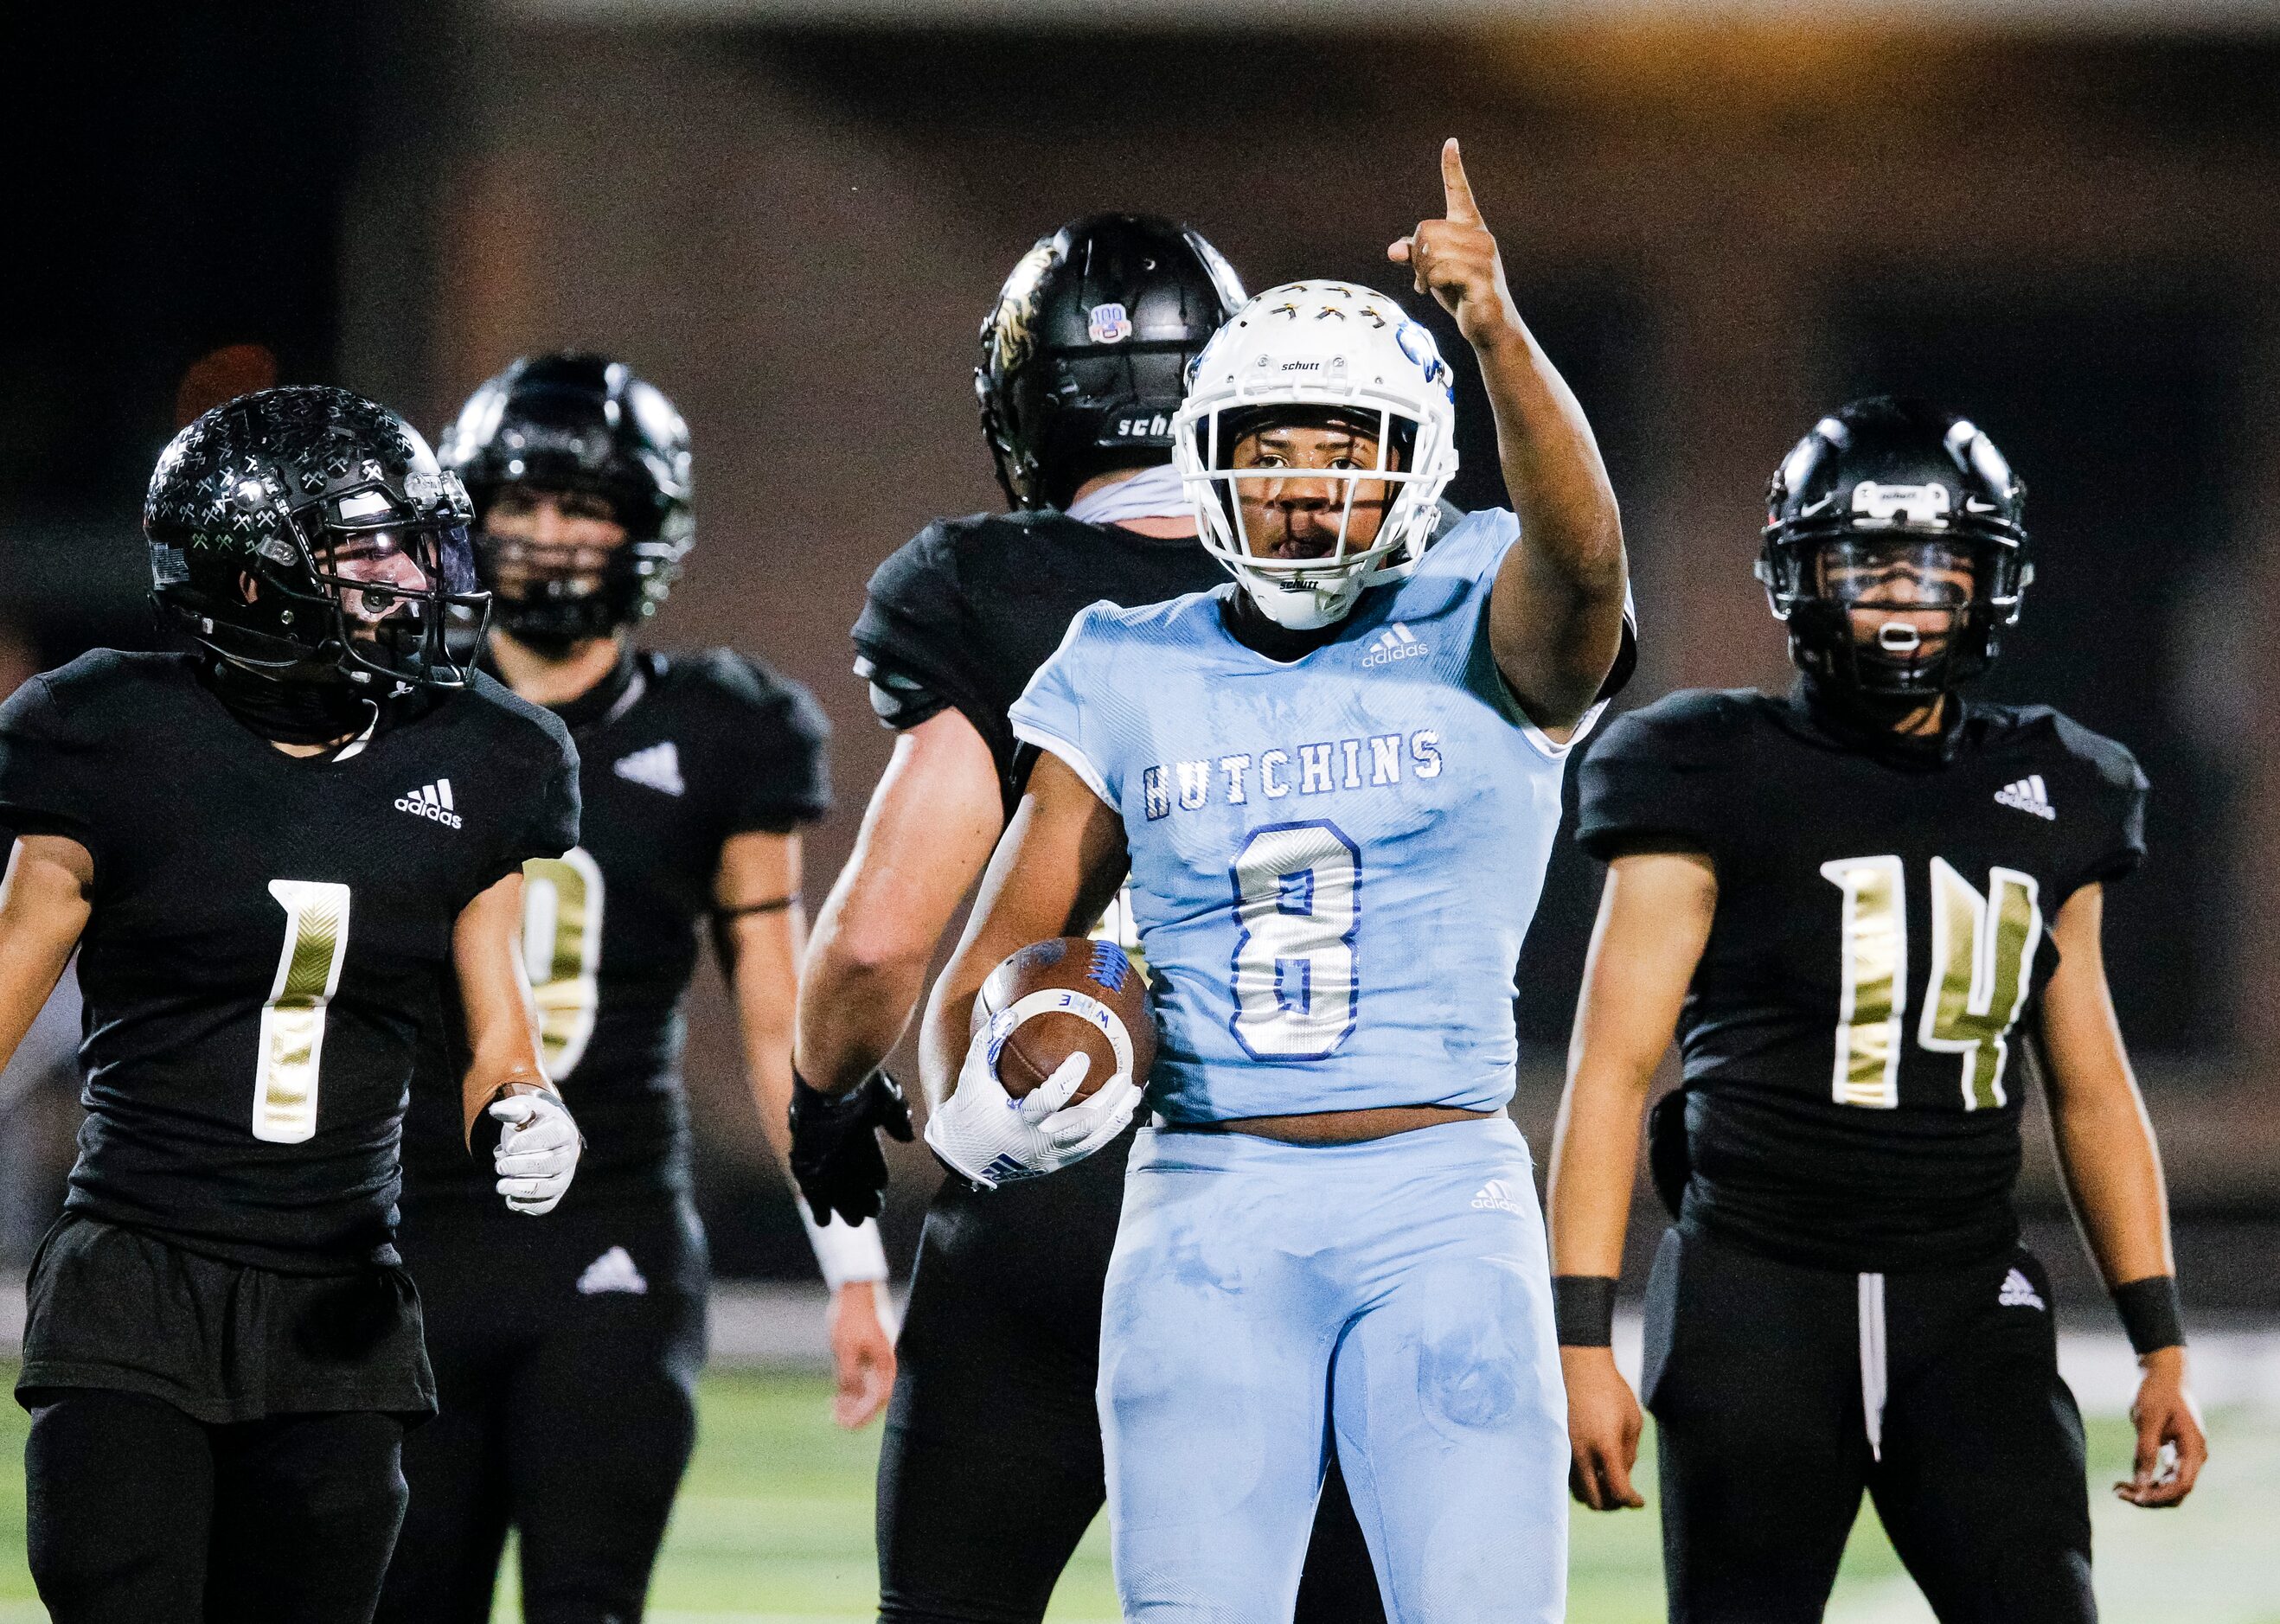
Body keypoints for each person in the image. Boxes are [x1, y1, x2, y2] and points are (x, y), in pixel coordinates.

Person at [907, 143, 1632, 1622]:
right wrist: (978, 1103)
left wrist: (1497, 333)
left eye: (1342, 446)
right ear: (1208, 455)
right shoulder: (1122, 660)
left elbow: (1591, 561)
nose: (1303, 487)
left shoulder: (1483, 605)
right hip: (1207, 1199)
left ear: (1416, 464)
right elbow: (991, 966)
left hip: (1444, 1197)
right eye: (1268, 445)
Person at [792, 212, 1391, 1621]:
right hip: (1297, 1198)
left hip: (1052, 1171)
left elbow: (880, 935)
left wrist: (829, 1089)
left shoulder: (989, 590)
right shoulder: (1370, 596)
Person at [1548, 395, 2207, 1623]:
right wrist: (1581, 1337)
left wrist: (2158, 1335)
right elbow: (1610, 1065)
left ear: (1991, 580)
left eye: (1938, 566)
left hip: (1965, 1305)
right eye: (1867, 565)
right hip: (1756, 1295)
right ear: (1801, 575)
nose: (1904, 599)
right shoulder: (1703, 765)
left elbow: (2091, 1084)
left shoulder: (2062, 781)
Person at [0, 385, 583, 1623]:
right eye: (364, 548)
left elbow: (499, 1039)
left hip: (340, 1299)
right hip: (133, 1283)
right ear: (253, 572)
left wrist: (527, 1111)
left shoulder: (481, 757)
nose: (410, 577)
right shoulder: (106, 733)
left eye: (410, 543)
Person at [376, 354, 842, 1624]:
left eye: (585, 505)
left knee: (590, 1603)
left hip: (611, 1223)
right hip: (402, 1224)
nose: (549, 535)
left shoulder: (724, 728)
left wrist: (849, 1261)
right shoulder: (396, 718)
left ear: (646, 525)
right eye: (521, 503)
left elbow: (776, 1012)